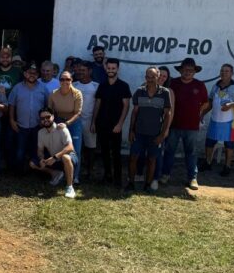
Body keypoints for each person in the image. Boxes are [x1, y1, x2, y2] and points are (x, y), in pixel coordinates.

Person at [161, 58, 209, 189]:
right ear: (180, 70)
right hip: (173, 125)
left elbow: (205, 103)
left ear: (195, 72)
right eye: (185, 69)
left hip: (192, 126)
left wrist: (198, 114)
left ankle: (192, 178)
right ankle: (165, 175)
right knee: (169, 151)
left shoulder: (200, 85)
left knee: (191, 153)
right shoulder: (173, 83)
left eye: (191, 70)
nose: (187, 72)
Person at [127, 67, 172, 192]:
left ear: (158, 77)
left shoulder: (164, 93)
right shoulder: (139, 91)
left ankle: (148, 184)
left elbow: (167, 114)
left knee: (152, 159)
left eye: (153, 77)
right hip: (139, 133)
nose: (150, 79)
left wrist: (162, 135)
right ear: (145, 77)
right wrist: (131, 130)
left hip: (155, 134)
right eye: (148, 77)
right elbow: (134, 112)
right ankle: (130, 182)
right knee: (133, 157)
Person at [200, 63, 234, 176]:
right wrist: (202, 113)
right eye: (222, 71)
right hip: (215, 120)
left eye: (227, 71)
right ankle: (208, 163)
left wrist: (231, 104)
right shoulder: (215, 86)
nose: (224, 73)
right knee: (209, 142)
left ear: (232, 73)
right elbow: (211, 103)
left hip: (230, 122)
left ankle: (227, 166)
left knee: (229, 144)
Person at [91, 58, 131, 186]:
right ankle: (107, 176)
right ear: (106, 69)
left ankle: (118, 179)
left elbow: (126, 106)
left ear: (117, 69)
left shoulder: (124, 86)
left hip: (115, 126)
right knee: (104, 151)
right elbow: (97, 103)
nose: (111, 70)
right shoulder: (102, 85)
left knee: (116, 153)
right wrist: (93, 122)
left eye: (113, 68)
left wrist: (120, 124)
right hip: (102, 124)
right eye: (109, 68)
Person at [8, 63, 50, 173]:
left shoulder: (43, 88)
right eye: (29, 73)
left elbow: (48, 106)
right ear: (25, 74)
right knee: (20, 151)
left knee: (36, 150)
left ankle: (34, 170)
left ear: (38, 75)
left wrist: (44, 121)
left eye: (35, 73)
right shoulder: (17, 88)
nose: (32, 75)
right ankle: (18, 171)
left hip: (37, 126)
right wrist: (12, 120)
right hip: (21, 126)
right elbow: (11, 105)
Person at [29, 107, 78, 199]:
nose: (45, 120)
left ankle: (70, 187)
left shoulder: (61, 128)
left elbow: (70, 147)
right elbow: (40, 150)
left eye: (48, 117)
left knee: (65, 157)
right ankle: (55, 173)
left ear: (53, 116)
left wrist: (55, 157)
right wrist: (41, 159)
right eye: (42, 119)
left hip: (67, 158)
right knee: (32, 163)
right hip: (53, 159)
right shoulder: (40, 132)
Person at [49, 71, 84, 183]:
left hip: (73, 123)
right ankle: (62, 174)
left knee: (75, 150)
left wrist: (67, 123)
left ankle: (75, 177)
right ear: (59, 81)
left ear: (71, 80)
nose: (65, 82)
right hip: (59, 121)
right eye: (62, 79)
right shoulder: (54, 93)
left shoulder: (77, 93)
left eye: (67, 79)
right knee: (59, 149)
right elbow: (50, 111)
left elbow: (78, 113)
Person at [73, 61, 99, 181]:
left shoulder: (96, 86)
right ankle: (75, 171)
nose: (81, 73)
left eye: (84, 70)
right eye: (79, 70)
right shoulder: (74, 85)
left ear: (90, 71)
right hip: (75, 121)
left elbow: (98, 106)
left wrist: (94, 122)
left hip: (89, 121)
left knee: (91, 148)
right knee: (76, 147)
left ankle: (90, 171)